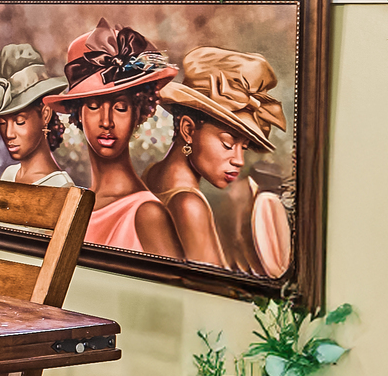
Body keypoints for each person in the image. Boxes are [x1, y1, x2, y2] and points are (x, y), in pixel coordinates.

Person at [149, 48, 285, 273]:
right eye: (228, 143)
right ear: (188, 129)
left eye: (244, 147)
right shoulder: (190, 205)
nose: (239, 160)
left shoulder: (153, 174)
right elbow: (213, 292)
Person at [49, 22, 178, 256]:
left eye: (120, 107)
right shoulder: (75, 207)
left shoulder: (147, 214)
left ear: (138, 113)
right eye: (94, 106)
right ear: (78, 113)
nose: (106, 121)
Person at [0, 42, 73, 186]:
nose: (8, 133)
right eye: (2, 123)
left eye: (19, 121)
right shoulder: (9, 175)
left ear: (45, 114)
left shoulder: (60, 186)